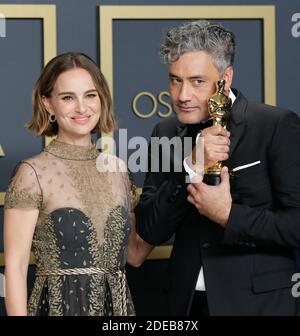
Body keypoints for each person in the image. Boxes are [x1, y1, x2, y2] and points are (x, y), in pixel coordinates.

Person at [135, 20, 300, 316]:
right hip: (184, 304)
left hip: (257, 305)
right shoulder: (166, 132)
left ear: (225, 80)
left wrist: (228, 215)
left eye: (197, 81)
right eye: (175, 80)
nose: (182, 95)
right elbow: (150, 229)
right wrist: (189, 166)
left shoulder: (275, 125)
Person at [4, 52, 152, 316]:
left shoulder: (118, 170)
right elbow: (15, 266)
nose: (82, 108)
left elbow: (135, 254)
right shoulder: (32, 173)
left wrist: (180, 187)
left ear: (102, 99)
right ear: (48, 104)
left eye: (90, 95)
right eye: (68, 98)